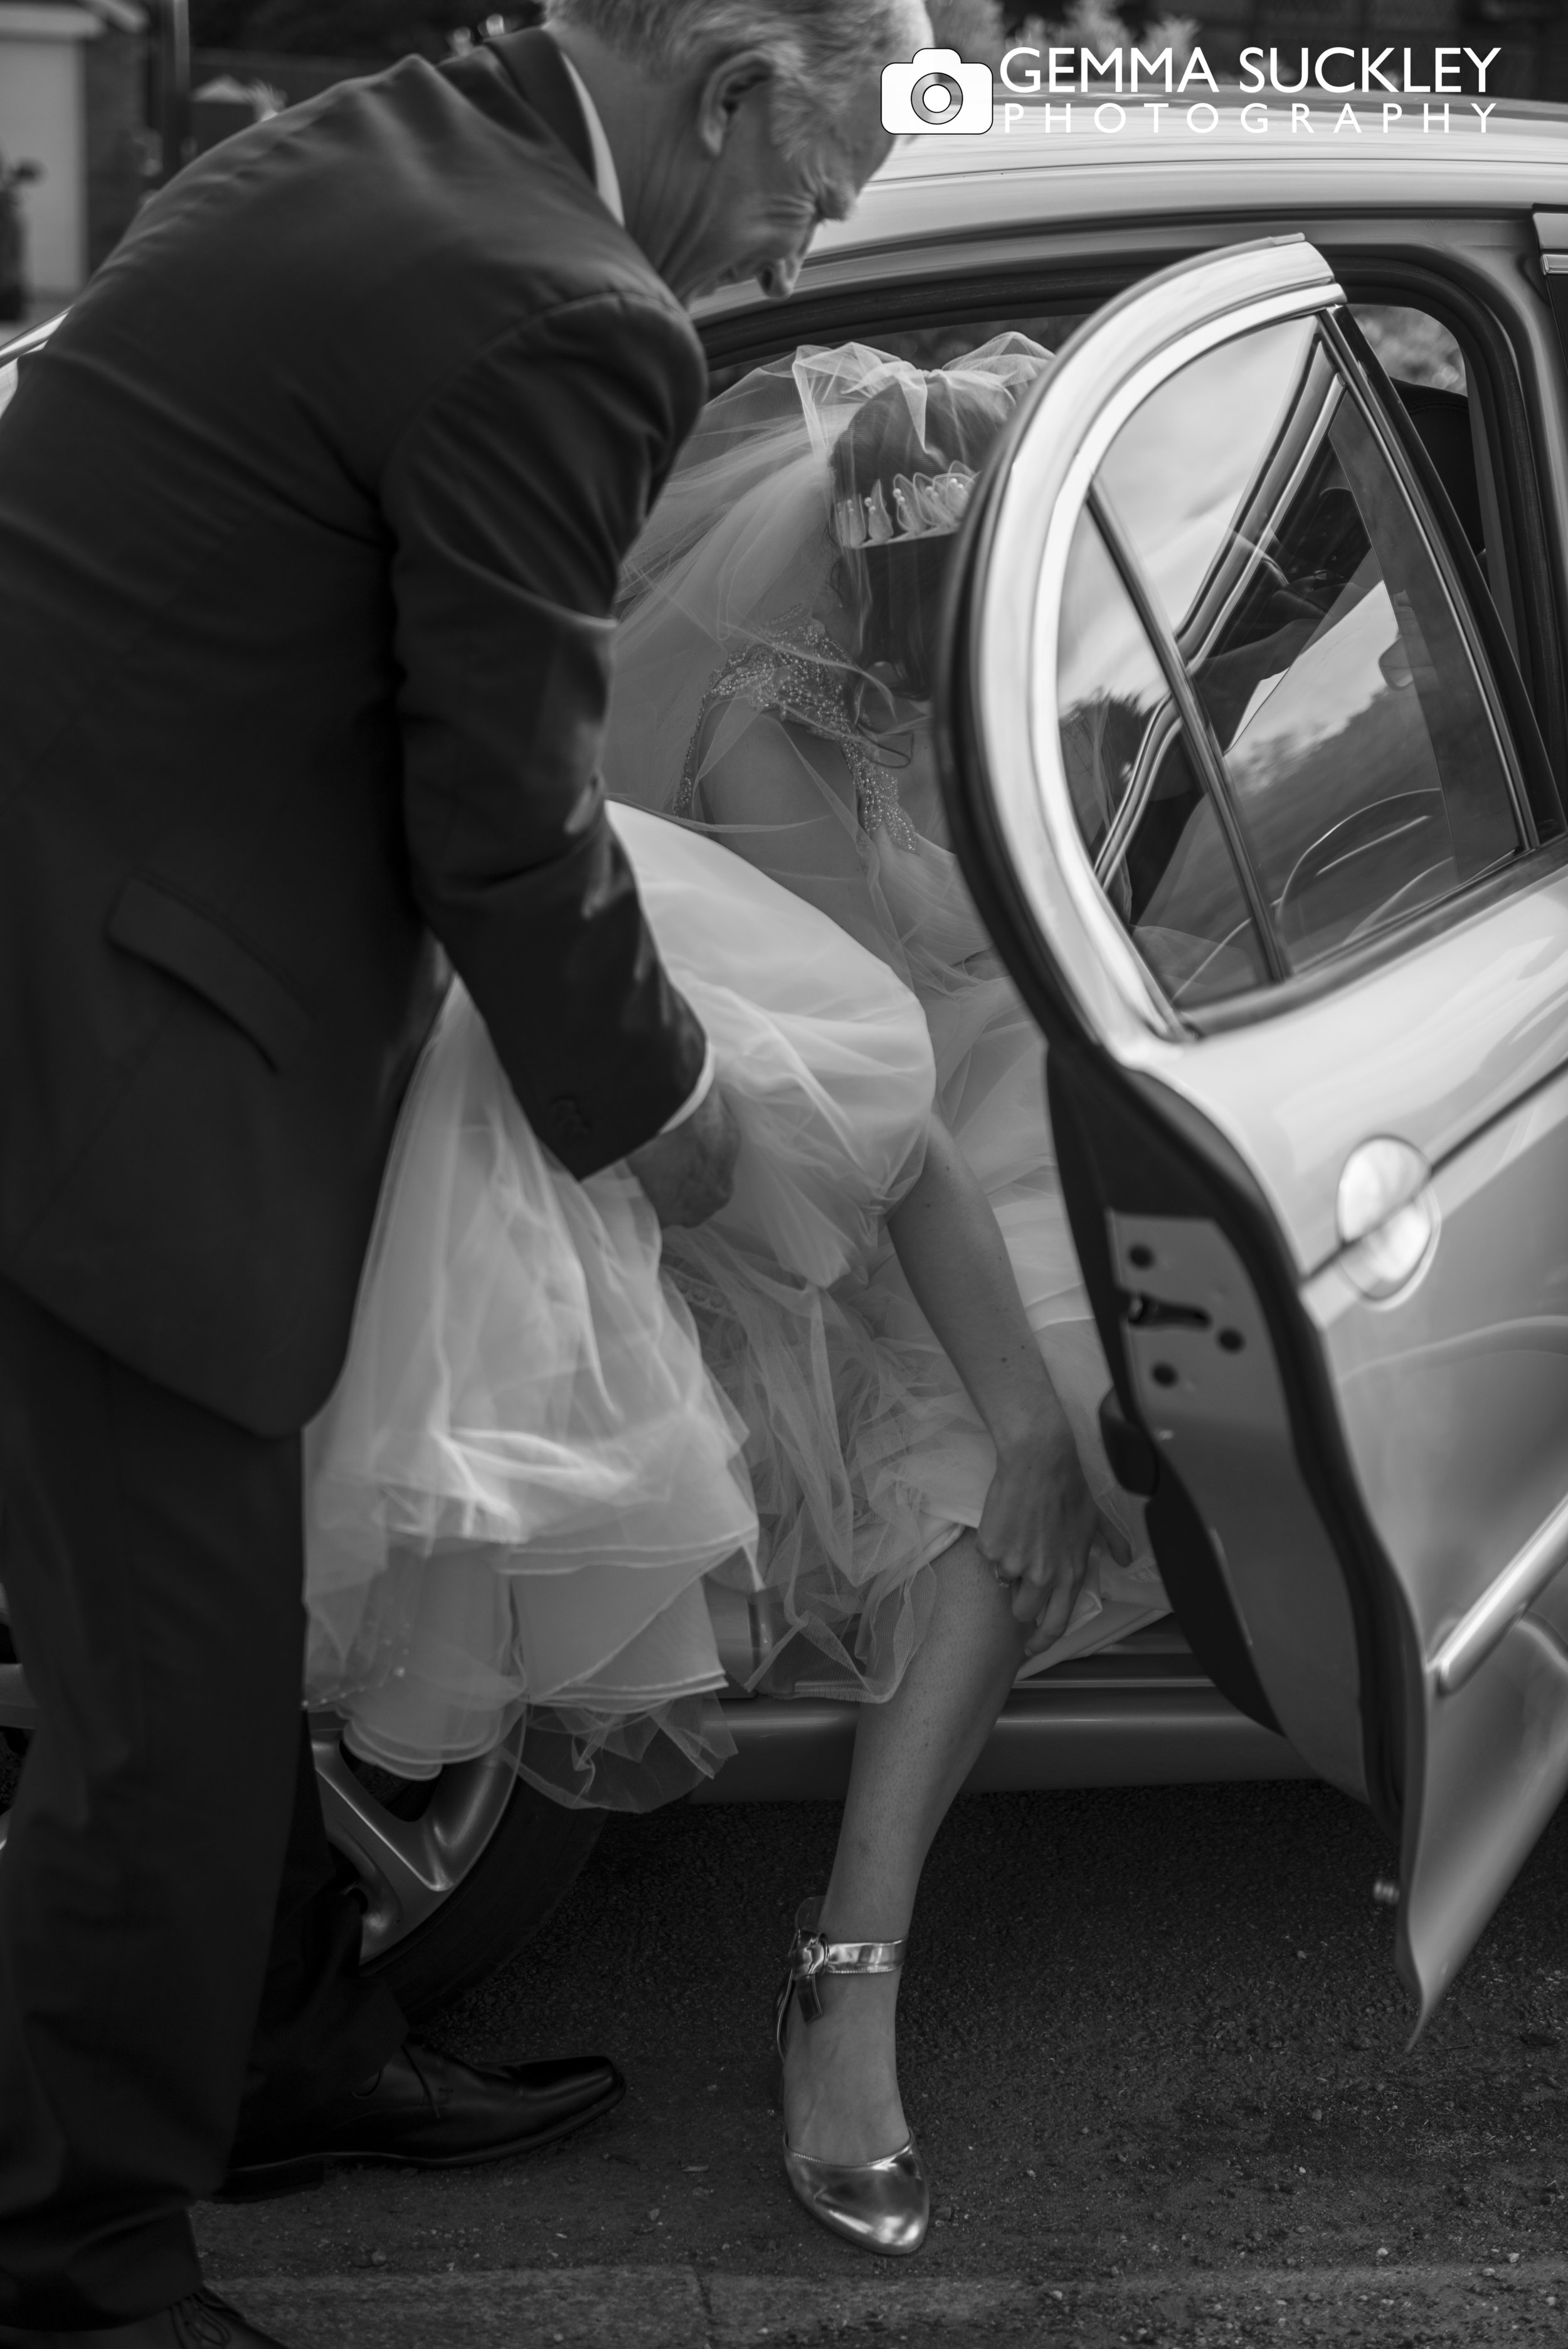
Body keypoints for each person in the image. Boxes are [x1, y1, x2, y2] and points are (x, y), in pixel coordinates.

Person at [0, 4, 924, 2341]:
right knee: (168, 1725)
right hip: (116, 1040)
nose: (811, 238)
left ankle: (289, 2053)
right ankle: (72, 2252)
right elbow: (504, 828)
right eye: (816, 183)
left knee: (241, 1648)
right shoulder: (565, 301)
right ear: (729, 91)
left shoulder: (384, 145)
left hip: (135, 931)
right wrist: (682, 1125)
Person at [295, 332, 1167, 2263]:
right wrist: (1012, 1392)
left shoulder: (1063, 691)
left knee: (1117, 1352)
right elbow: (861, 1107)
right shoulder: (769, 744)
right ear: (872, 577)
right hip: (846, 1170)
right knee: (989, 1440)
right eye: (959, 590)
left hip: (1041, 1103)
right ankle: (850, 1963)